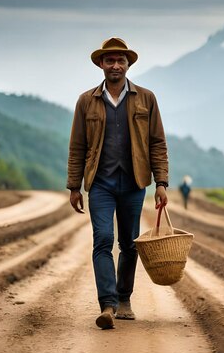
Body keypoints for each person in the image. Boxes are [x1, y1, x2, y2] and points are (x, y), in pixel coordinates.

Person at [67, 37, 169, 330]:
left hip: (135, 182)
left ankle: (124, 298)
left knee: (129, 244)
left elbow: (157, 143)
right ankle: (108, 305)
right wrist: (74, 186)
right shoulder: (87, 100)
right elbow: (77, 146)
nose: (115, 65)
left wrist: (161, 182)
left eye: (120, 61)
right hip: (100, 183)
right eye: (109, 60)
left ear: (128, 65)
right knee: (102, 240)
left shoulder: (146, 98)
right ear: (101, 64)